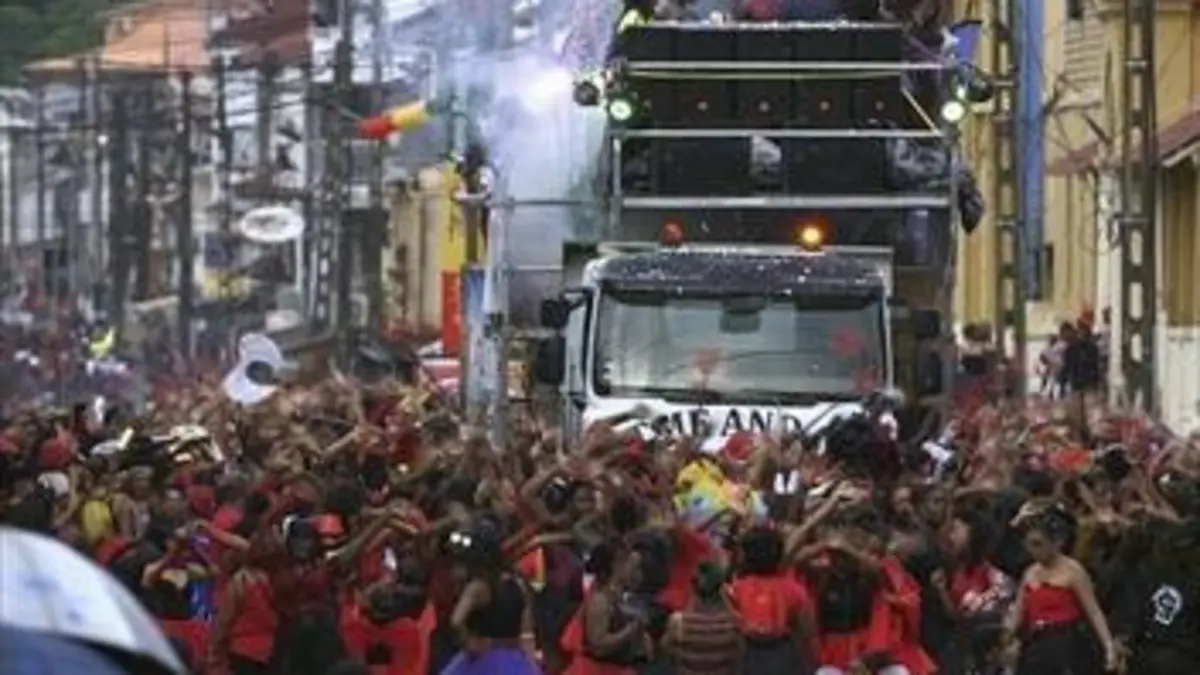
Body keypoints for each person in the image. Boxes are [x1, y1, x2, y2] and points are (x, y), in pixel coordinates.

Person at [1002, 507, 1117, 674]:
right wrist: (1002, 641)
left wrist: (1109, 647)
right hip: (1036, 645)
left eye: (1038, 544)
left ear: (1057, 543)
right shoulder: (1029, 573)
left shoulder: (1073, 570)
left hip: (1067, 645)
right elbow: (1017, 615)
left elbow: (1094, 612)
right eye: (1029, 544)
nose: (1033, 551)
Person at [440, 518, 541, 675]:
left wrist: (467, 641)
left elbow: (455, 621)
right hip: (514, 657)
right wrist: (531, 663)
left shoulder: (479, 586)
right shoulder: (517, 583)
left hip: (484, 658)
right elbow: (527, 630)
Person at [728, 526, 814, 672]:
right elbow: (807, 634)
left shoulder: (735, 589)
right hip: (784, 657)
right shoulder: (794, 590)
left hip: (748, 656)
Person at [663, 560, 743, 674]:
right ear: (721, 589)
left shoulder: (677, 623)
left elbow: (671, 658)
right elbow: (737, 663)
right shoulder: (733, 624)